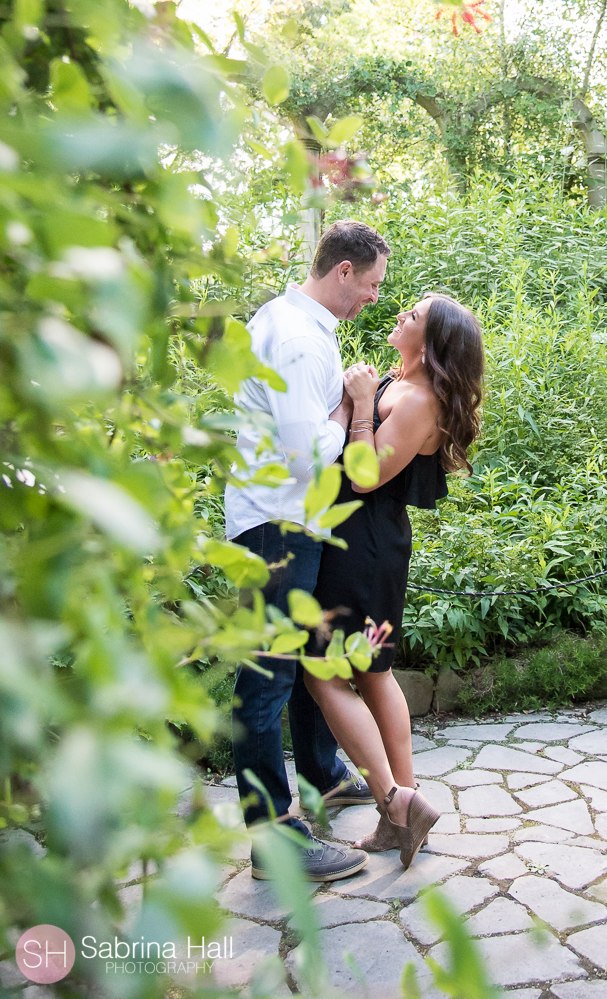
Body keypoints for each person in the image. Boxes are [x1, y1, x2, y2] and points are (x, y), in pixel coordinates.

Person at [225, 220, 391, 881]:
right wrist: (354, 407)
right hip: (277, 525)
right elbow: (303, 456)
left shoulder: (302, 326)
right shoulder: (296, 338)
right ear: (343, 271)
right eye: (372, 283)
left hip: (294, 522)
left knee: (299, 659)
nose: (376, 297)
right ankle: (273, 838)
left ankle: (323, 774)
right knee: (268, 676)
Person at [305, 293, 484, 868]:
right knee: (372, 673)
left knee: (326, 673)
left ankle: (396, 801)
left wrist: (359, 406)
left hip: (364, 551)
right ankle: (400, 817)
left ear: (432, 344)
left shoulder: (420, 401)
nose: (401, 314)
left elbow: (364, 477)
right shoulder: (396, 382)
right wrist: (355, 397)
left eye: (414, 316)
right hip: (362, 546)